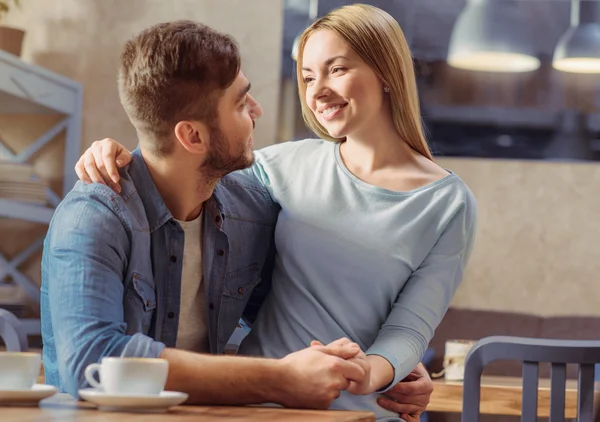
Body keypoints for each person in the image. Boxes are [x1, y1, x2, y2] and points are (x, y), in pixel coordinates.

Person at [43, 18, 432, 417]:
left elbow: (293, 308)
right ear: (192, 136)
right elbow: (91, 363)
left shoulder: (250, 210)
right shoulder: (94, 216)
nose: (257, 110)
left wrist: (383, 365)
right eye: (241, 102)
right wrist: (278, 379)